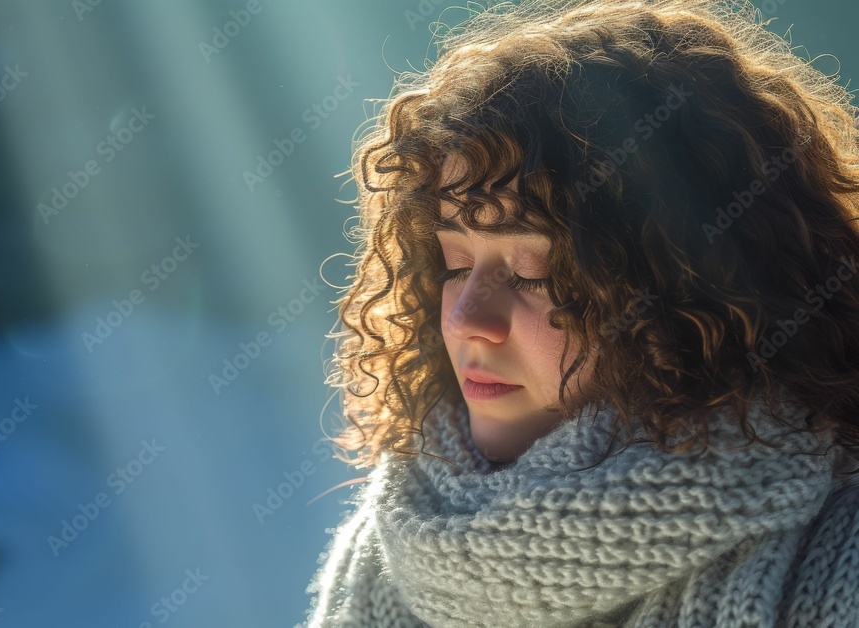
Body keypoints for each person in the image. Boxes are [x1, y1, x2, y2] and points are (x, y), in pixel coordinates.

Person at [298, 0, 859, 625]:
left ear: (690, 291)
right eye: (455, 265)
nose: (465, 320)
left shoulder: (839, 556)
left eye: (537, 273)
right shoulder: (382, 555)